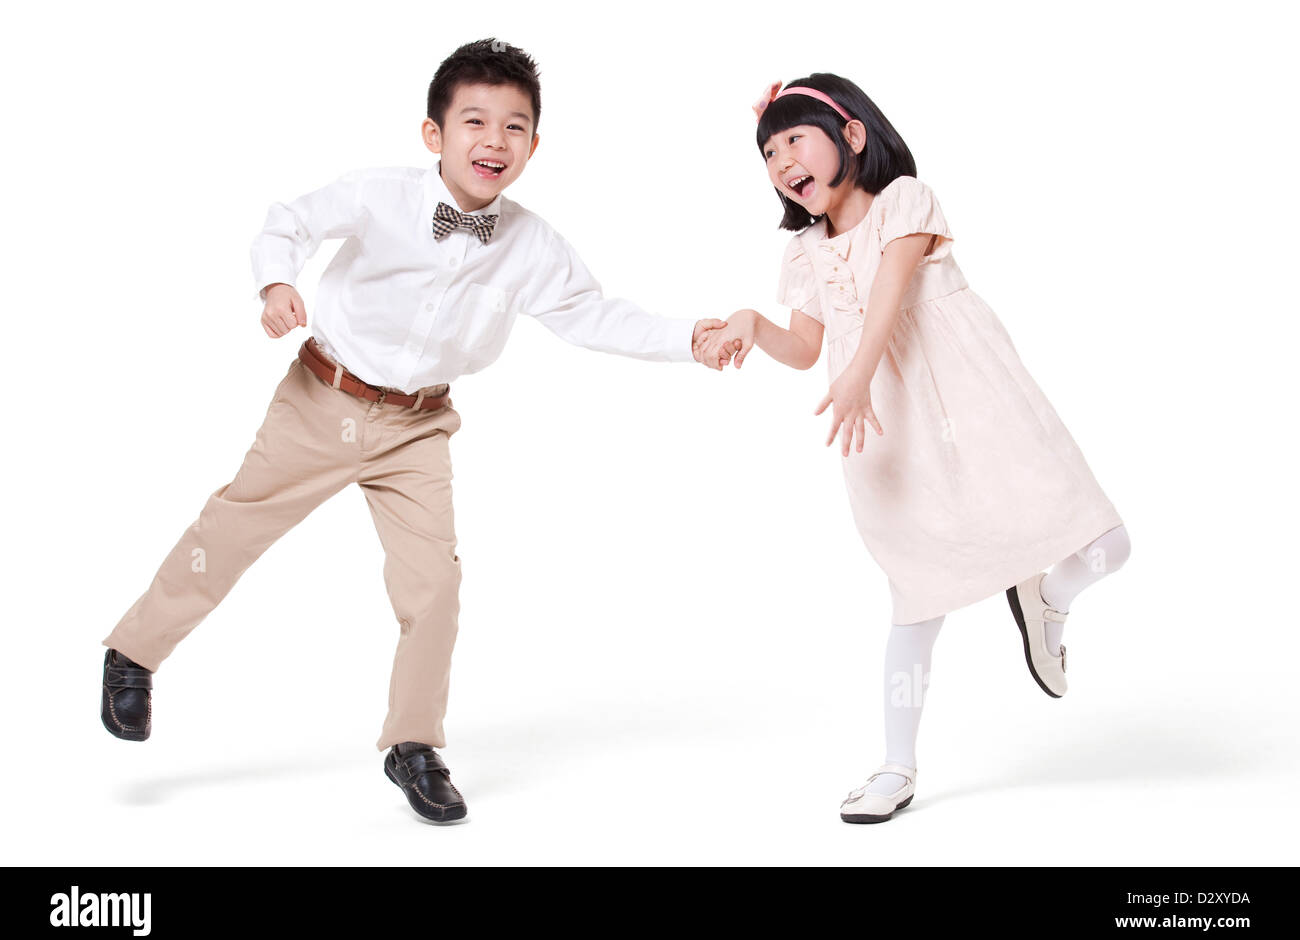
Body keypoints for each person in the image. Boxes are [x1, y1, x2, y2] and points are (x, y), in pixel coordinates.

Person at [100, 38, 733, 825]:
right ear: (434, 135)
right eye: (475, 121)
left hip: (419, 427)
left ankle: (413, 744)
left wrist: (689, 338)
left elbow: (592, 314)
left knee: (434, 586)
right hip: (321, 398)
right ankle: (134, 651)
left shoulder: (533, 244)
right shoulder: (378, 194)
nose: (493, 141)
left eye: (514, 127)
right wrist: (275, 284)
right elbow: (289, 222)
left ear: (535, 146)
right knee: (229, 531)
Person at [696, 74, 1132, 823]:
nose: (780, 164)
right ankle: (896, 767)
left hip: (975, 398)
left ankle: (1046, 601)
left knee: (1107, 544)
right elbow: (806, 348)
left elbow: (894, 287)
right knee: (916, 597)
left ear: (852, 137)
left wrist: (859, 372)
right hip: (885, 431)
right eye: (768, 154)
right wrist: (748, 323)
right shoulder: (802, 252)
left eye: (794, 140)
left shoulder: (906, 200)